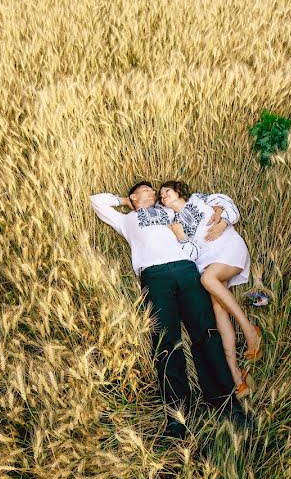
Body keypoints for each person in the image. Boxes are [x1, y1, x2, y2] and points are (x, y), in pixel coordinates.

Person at [89, 181, 252, 439]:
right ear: (133, 196)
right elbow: (96, 200)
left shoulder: (169, 212)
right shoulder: (127, 220)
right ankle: (177, 415)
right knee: (165, 341)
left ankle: (225, 403)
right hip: (155, 276)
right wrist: (127, 201)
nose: (153, 194)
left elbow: (211, 206)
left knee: (206, 333)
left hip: (186, 269)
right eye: (146, 191)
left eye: (155, 192)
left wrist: (220, 218)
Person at [158, 180, 263, 398]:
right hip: (207, 260)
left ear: (178, 191)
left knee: (207, 279)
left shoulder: (199, 199)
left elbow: (228, 204)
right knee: (218, 311)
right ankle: (236, 375)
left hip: (227, 246)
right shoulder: (172, 223)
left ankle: (250, 330)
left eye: (166, 191)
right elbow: (189, 254)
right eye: (161, 196)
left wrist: (223, 222)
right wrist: (180, 236)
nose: (163, 196)